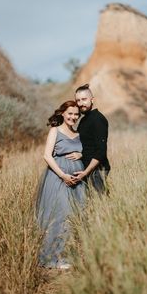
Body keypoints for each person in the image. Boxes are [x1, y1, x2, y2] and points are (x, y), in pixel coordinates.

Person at [36, 101, 85, 269]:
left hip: (78, 180)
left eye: (76, 114)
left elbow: (86, 151)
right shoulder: (55, 131)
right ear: (63, 113)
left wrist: (81, 154)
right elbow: (47, 156)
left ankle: (67, 255)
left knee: (74, 215)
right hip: (58, 177)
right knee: (59, 213)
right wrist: (63, 175)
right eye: (70, 113)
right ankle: (51, 257)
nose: (73, 117)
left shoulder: (79, 133)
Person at [66, 84, 110, 193]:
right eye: (78, 100)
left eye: (84, 99)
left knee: (101, 203)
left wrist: (85, 173)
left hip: (97, 171)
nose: (80, 103)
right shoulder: (84, 120)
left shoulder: (98, 119)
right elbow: (87, 146)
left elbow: (101, 151)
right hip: (86, 170)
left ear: (92, 99)